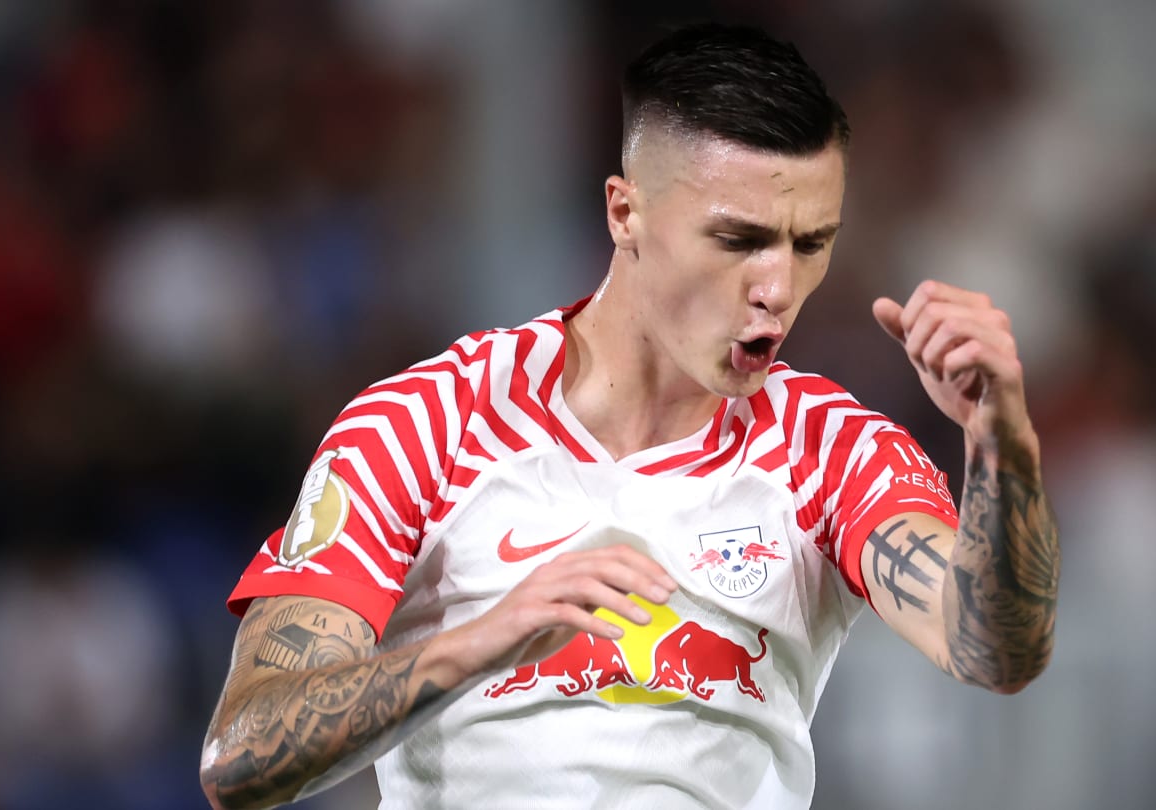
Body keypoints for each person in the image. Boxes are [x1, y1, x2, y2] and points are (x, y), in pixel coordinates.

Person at [200, 22, 1060, 810]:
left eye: (811, 244)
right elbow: (239, 756)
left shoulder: (828, 448)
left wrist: (1002, 445)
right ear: (625, 213)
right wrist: (481, 641)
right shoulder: (425, 423)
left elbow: (994, 651)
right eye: (739, 240)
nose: (777, 288)